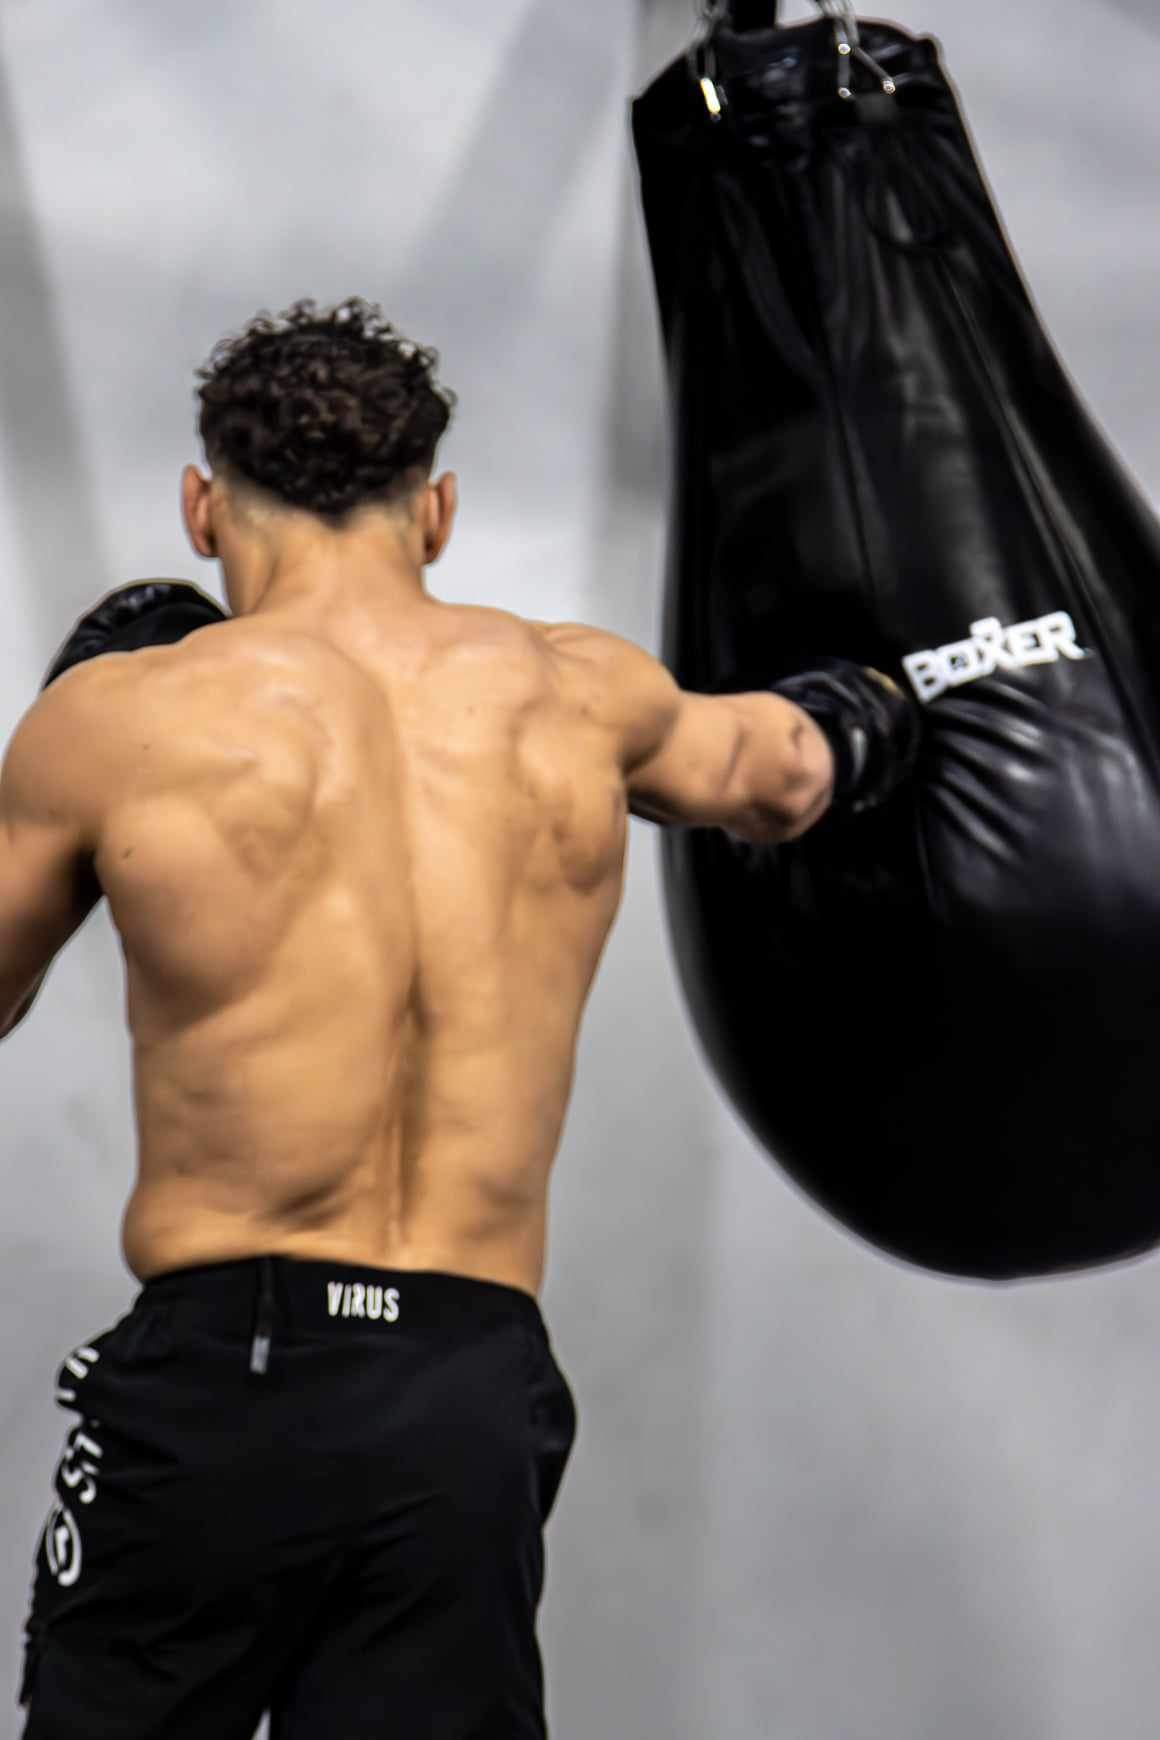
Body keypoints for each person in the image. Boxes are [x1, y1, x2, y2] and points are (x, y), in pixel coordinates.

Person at [1, 298, 915, 1739]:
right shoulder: (588, 697)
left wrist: (57, 720)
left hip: (226, 1369)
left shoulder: (122, 719)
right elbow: (789, 771)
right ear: (435, 513)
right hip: (467, 1395)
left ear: (198, 507)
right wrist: (879, 694)